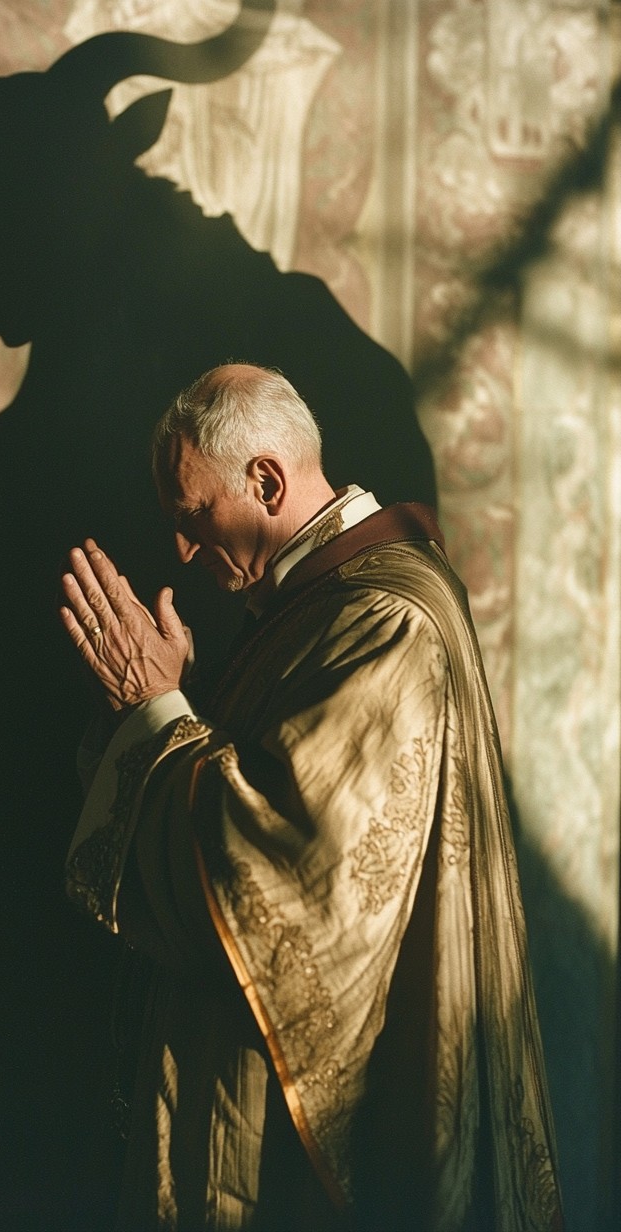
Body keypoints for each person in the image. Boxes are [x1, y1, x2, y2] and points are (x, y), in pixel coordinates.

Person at [58, 363, 561, 1231]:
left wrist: (156, 711)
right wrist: (172, 709)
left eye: (194, 514)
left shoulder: (386, 620)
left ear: (266, 481)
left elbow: (284, 867)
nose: (181, 548)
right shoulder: (317, 606)